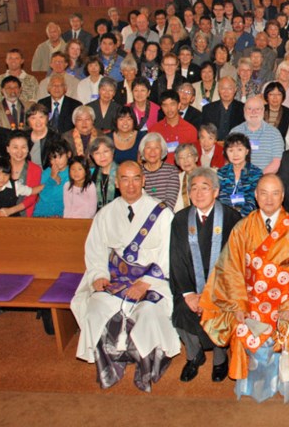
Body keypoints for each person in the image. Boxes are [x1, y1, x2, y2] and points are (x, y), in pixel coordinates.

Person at [199, 174, 289, 402]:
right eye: (263, 193)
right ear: (255, 195)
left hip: (287, 297)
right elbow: (231, 269)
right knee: (244, 328)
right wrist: (238, 305)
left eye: (275, 193)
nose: (269, 199)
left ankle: (284, 380)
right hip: (251, 296)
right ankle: (256, 380)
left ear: (282, 196)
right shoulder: (243, 227)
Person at [70, 161, 179, 391]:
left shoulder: (162, 213)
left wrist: (145, 283)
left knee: (149, 311)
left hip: (153, 280)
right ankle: (111, 358)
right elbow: (96, 249)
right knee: (96, 306)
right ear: (117, 183)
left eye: (136, 178)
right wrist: (99, 274)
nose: (131, 185)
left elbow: (169, 254)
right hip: (117, 280)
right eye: (125, 179)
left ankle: (147, 363)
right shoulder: (105, 214)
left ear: (144, 180)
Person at [169, 168, 242, 383]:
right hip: (190, 287)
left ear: (216, 191)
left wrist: (212, 294)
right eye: (194, 188)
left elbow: (235, 263)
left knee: (219, 310)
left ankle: (220, 360)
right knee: (182, 310)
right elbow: (176, 259)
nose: (199, 193)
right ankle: (194, 356)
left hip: (222, 289)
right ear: (188, 193)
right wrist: (189, 293)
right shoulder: (180, 220)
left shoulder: (232, 218)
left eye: (205, 188)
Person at [228, 95, 284, 174]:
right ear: (244, 111)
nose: (253, 112)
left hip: (265, 179)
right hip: (239, 178)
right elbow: (229, 159)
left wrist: (258, 178)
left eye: (257, 109)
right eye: (249, 109)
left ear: (263, 111)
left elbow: (277, 162)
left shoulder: (274, 134)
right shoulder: (234, 132)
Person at [215, 133, 263, 218]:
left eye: (239, 150)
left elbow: (252, 201)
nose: (235, 154)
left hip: (248, 219)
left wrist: (237, 217)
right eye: (231, 150)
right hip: (223, 218)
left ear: (247, 151)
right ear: (226, 152)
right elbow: (218, 199)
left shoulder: (256, 173)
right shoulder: (221, 173)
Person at [31, 141, 72, 218]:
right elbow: (44, 196)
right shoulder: (47, 172)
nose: (56, 161)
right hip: (41, 213)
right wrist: (52, 178)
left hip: (61, 214)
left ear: (68, 154)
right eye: (53, 158)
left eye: (60, 156)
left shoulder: (72, 172)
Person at [139, 133, 181, 206]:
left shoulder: (171, 171)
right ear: (143, 150)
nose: (152, 151)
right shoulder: (138, 171)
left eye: (156, 148)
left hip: (164, 214)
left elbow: (170, 201)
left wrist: (154, 215)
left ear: (162, 150)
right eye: (148, 147)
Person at [201, 76, 245, 141]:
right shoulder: (208, 109)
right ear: (218, 90)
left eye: (229, 88)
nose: (226, 92)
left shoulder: (243, 108)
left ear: (235, 89)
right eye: (223, 88)